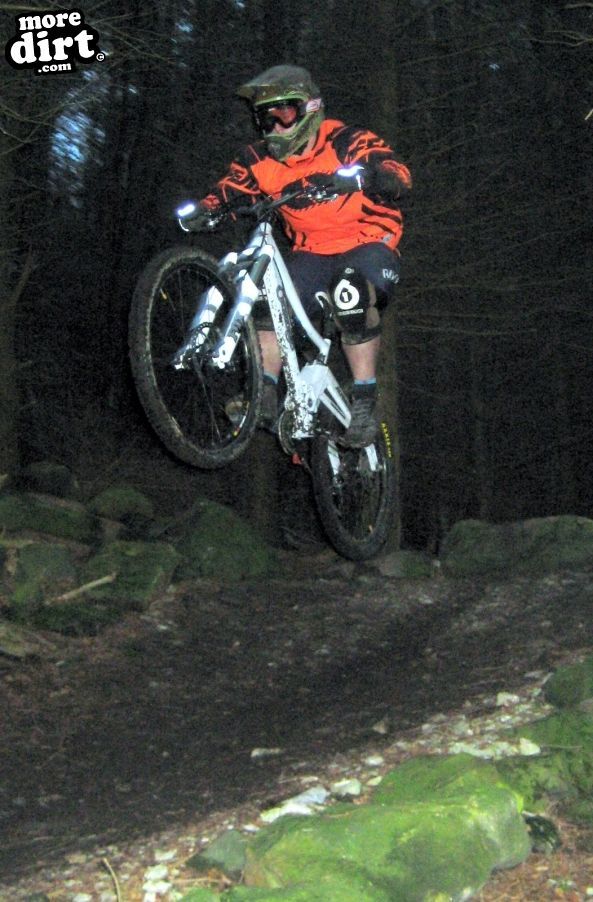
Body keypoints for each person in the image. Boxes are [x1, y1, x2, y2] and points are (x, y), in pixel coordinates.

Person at [179, 65, 412, 447]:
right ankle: (266, 394)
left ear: (309, 109)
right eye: (265, 118)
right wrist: (206, 208)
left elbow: (393, 168)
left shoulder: (344, 139)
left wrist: (379, 175)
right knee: (267, 303)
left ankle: (364, 406)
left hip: (369, 242)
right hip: (312, 253)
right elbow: (231, 188)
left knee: (350, 295)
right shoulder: (260, 160)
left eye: (283, 113)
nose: (275, 126)